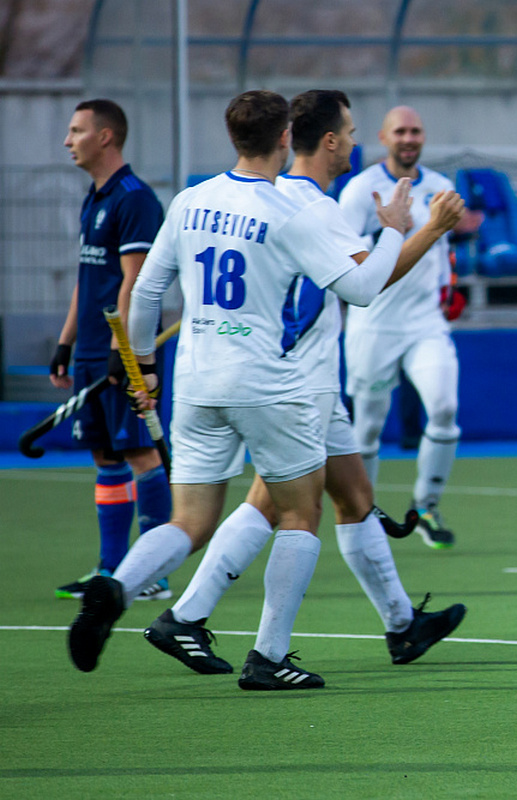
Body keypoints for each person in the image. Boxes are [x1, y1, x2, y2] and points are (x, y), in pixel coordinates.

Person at [66, 90, 426, 690]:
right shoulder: (291, 212)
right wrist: (392, 230)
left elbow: (145, 294)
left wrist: (145, 369)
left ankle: (116, 587)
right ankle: (269, 657)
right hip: (264, 383)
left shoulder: (191, 199)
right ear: (286, 138)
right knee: (299, 512)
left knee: (188, 520)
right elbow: (362, 288)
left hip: (197, 381)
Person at [142, 89, 467, 676]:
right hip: (300, 376)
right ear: (329, 140)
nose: (360, 139)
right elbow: (371, 283)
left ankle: (401, 625)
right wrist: (430, 229)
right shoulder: (311, 205)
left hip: (308, 372)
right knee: (276, 504)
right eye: (352, 129)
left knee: (355, 498)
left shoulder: (288, 194)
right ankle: (192, 618)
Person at [51, 99, 173, 602]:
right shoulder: (93, 198)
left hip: (122, 349)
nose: (67, 140)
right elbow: (88, 279)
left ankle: (152, 572)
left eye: (76, 130)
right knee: (106, 457)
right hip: (93, 350)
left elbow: (135, 281)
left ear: (105, 137)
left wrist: (123, 351)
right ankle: (110, 569)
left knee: (142, 454)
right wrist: (66, 341)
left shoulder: (134, 199)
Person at [339, 106, 462, 549]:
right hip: (373, 324)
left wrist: (451, 288)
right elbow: (340, 257)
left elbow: (443, 251)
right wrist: (388, 234)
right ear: (383, 137)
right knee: (368, 427)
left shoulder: (441, 187)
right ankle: (362, 513)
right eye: (400, 132)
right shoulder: (360, 191)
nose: (409, 138)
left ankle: (427, 505)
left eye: (416, 131)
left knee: (445, 409)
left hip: (425, 322)